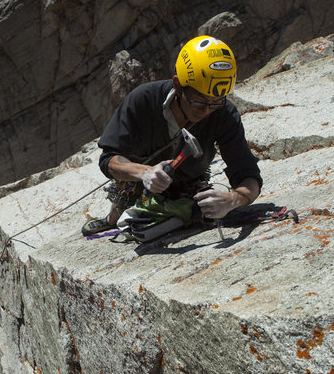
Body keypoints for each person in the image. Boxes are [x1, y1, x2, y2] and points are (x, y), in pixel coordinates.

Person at [81, 35, 262, 236]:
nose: (206, 112)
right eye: (199, 102)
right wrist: (145, 173)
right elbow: (109, 159)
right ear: (177, 85)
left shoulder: (224, 113)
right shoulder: (143, 100)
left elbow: (250, 177)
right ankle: (111, 218)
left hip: (189, 184)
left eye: (215, 102)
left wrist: (232, 199)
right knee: (122, 216)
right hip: (136, 181)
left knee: (185, 214)